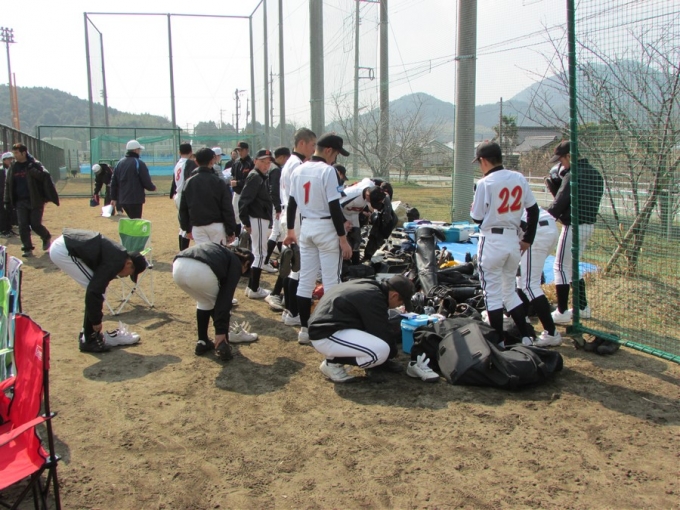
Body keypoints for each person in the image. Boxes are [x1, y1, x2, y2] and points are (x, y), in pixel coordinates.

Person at [283, 133, 353, 345]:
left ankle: (304, 330)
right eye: (336, 154)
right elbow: (334, 207)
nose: (335, 159)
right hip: (326, 227)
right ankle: (329, 328)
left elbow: (292, 204)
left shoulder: (299, 168)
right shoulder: (327, 170)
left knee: (305, 280)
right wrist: (343, 238)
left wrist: (290, 230)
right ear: (329, 150)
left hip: (306, 226)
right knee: (331, 281)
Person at [470, 141, 539, 346]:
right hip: (513, 239)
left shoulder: (485, 183)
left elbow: (477, 217)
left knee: (492, 294)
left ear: (483, 160)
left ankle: (498, 342)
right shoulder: (518, 177)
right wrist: (528, 239)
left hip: (492, 240)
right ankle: (526, 337)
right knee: (509, 291)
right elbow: (533, 210)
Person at [308, 275, 438, 383]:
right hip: (324, 334)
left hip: (330, 327)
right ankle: (333, 363)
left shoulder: (372, 286)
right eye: (401, 302)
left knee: (381, 345)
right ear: (394, 295)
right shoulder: (374, 297)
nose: (400, 305)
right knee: (380, 352)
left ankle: (373, 363)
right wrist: (392, 353)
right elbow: (382, 333)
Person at [49, 228, 148, 353]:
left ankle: (88, 335)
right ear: (128, 264)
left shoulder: (118, 256)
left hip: (67, 244)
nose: (126, 276)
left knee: (98, 288)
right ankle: (89, 339)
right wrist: (96, 321)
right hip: (64, 250)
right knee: (94, 287)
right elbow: (94, 291)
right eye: (130, 274)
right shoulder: (115, 262)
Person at [545, 140, 604, 324]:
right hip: (588, 225)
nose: (561, 165)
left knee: (560, 267)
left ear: (569, 156)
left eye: (561, 160)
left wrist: (542, 217)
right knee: (572, 266)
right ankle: (582, 307)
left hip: (573, 226)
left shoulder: (572, 175)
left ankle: (562, 311)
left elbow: (558, 205)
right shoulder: (595, 173)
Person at [173, 243, 258, 361]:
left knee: (204, 301)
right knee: (220, 303)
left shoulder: (222, 252)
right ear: (247, 263)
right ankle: (223, 345)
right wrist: (221, 331)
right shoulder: (235, 263)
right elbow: (225, 299)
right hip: (201, 270)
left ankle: (202, 341)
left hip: (178, 266)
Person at [278, 128, 317, 326]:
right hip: (296, 217)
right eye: (312, 145)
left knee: (292, 265)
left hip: (289, 215)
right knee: (298, 268)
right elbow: (300, 197)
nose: (314, 149)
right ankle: (293, 312)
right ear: (302, 143)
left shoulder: (289, 162)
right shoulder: (298, 164)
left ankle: (289, 310)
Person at [516, 206, 561, 347]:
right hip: (548, 226)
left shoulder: (491, 204)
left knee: (529, 285)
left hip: (536, 231)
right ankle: (522, 319)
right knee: (522, 278)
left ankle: (551, 333)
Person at [5, 143, 58, 257]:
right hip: (20, 201)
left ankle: (46, 236)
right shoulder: (13, 167)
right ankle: (27, 248)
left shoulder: (34, 164)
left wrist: (32, 170)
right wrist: (7, 200)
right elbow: (8, 184)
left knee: (35, 224)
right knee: (22, 225)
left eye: (16, 153)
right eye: (14, 153)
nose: (14, 155)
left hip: (35, 200)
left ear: (24, 153)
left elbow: (44, 177)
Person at [179, 147, 237, 246]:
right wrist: (230, 230)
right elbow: (227, 207)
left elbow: (183, 208)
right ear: (212, 161)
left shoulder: (189, 182)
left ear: (196, 162)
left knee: (203, 254)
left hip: (198, 227)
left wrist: (187, 228)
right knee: (217, 253)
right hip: (216, 226)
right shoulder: (218, 182)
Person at [239, 149, 274, 299]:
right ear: (255, 161)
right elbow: (244, 200)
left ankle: (251, 287)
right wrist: (246, 221)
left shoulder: (260, 176)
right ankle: (254, 288)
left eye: (268, 162)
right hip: (257, 218)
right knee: (260, 253)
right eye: (263, 161)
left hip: (259, 217)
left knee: (258, 253)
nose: (266, 165)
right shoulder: (255, 176)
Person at [110, 140, 157, 219]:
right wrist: (152, 187)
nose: (140, 151)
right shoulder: (139, 163)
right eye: (139, 149)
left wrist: (113, 198)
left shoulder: (119, 163)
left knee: (132, 219)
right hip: (135, 199)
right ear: (135, 150)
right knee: (136, 220)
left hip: (123, 199)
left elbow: (114, 182)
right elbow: (145, 180)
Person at [170, 143, 198, 250]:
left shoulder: (178, 163)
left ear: (179, 152)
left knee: (183, 226)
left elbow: (174, 180)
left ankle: (182, 250)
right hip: (184, 196)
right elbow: (190, 181)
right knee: (187, 225)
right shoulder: (190, 163)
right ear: (191, 152)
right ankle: (183, 250)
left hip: (178, 194)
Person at [230, 141, 255, 233]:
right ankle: (239, 235)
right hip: (237, 193)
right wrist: (233, 181)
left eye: (241, 150)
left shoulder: (251, 163)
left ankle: (248, 235)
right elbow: (233, 175)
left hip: (247, 194)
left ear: (247, 150)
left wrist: (238, 183)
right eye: (238, 150)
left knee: (246, 215)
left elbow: (251, 180)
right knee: (236, 215)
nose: (239, 152)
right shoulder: (236, 163)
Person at [0, 152, 15, 237]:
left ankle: (8, 228)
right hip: (2, 195)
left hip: (8, 195)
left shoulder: (11, 169)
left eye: (11, 159)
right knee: (3, 213)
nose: (11, 161)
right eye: (9, 159)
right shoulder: (1, 170)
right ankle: (3, 230)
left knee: (9, 212)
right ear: (4, 160)